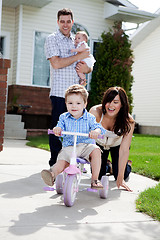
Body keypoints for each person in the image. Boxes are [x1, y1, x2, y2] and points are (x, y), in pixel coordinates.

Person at [45, 8, 92, 167]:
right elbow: (56, 63)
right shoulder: (52, 39)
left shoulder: (77, 40)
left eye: (68, 21)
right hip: (60, 93)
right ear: (58, 22)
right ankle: (55, 163)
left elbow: (89, 64)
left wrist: (86, 69)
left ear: (72, 22)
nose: (65, 24)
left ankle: (73, 162)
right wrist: (79, 56)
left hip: (78, 94)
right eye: (62, 21)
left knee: (77, 130)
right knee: (58, 129)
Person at [41, 84, 107, 189]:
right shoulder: (63, 117)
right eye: (70, 103)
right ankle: (52, 174)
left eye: (78, 103)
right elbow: (58, 127)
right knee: (62, 161)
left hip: (86, 146)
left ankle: (95, 179)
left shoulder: (90, 118)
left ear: (85, 104)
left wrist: (96, 131)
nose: (74, 106)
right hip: (70, 147)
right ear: (66, 104)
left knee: (96, 150)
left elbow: (98, 127)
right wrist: (57, 130)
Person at [89, 86, 135, 191]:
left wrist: (121, 178)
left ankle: (127, 165)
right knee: (99, 175)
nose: (111, 105)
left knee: (121, 174)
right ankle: (108, 166)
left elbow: (124, 150)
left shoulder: (129, 121)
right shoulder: (95, 112)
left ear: (122, 104)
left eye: (115, 102)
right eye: (108, 101)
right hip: (99, 144)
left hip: (117, 146)